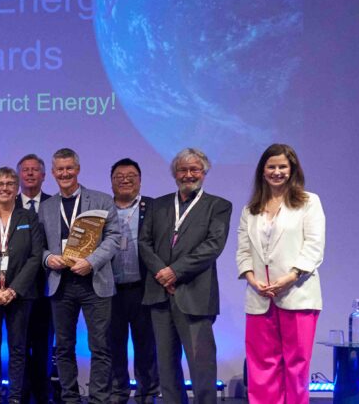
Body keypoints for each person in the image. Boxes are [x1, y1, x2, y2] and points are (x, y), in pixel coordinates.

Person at [138, 148, 232, 404]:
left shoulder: (219, 206)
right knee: (166, 367)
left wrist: (174, 272)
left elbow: (213, 246)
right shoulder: (158, 205)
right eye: (182, 170)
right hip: (160, 295)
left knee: (201, 367)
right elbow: (143, 243)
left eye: (194, 169)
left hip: (195, 295)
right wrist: (162, 273)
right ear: (174, 174)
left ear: (204, 172)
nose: (188, 174)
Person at [236, 144, 324, 404]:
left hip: (297, 295)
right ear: (262, 171)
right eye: (271, 166)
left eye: (282, 167)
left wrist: (289, 278)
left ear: (292, 170)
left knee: (297, 366)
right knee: (261, 367)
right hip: (260, 297)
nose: (276, 172)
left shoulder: (309, 202)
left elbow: (314, 247)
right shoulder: (250, 210)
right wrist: (253, 281)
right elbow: (243, 253)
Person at [39, 148, 120, 404]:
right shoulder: (46, 207)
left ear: (78, 169)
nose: (65, 173)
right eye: (60, 169)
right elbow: (36, 246)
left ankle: (98, 399)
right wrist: (47, 258)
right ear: (52, 173)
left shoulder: (102, 200)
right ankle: (70, 398)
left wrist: (91, 262)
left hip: (94, 282)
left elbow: (115, 237)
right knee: (63, 348)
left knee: (100, 347)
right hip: (60, 284)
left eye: (69, 168)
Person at [0, 167, 45, 404]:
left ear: (17, 189)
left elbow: (35, 257)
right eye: (0, 184)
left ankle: (14, 398)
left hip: (20, 295)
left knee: (18, 348)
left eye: (10, 183)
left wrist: (13, 290)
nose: (5, 188)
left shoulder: (29, 218)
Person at [107, 158, 159, 404]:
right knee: (113, 343)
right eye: (119, 176)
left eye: (131, 175)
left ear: (140, 180)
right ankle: (119, 391)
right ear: (111, 181)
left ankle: (147, 392)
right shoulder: (102, 208)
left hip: (144, 287)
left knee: (146, 343)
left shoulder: (154, 208)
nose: (125, 179)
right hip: (111, 289)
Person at [14, 153, 53, 404]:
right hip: (16, 288)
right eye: (25, 170)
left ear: (43, 175)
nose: (29, 174)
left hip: (48, 286)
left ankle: (42, 395)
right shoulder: (7, 204)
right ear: (18, 175)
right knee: (18, 345)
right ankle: (20, 394)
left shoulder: (54, 203)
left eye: (34, 170)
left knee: (42, 346)